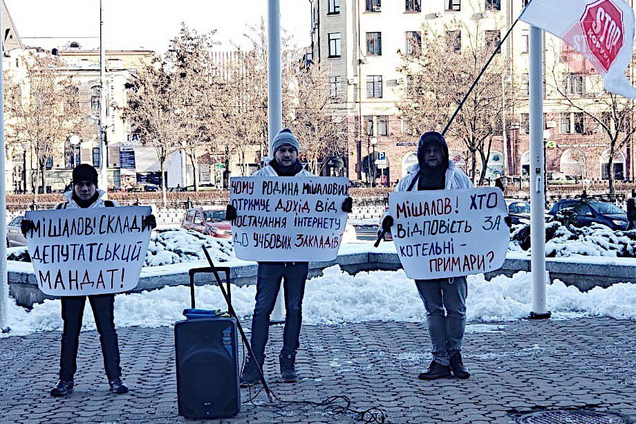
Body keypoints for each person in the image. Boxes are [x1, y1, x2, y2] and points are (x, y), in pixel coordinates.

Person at [226, 128, 352, 386]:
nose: (286, 154)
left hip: (297, 257)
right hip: (269, 259)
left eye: (290, 150)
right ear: (275, 153)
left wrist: (342, 207)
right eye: (282, 150)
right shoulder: (259, 179)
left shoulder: (309, 181)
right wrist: (233, 214)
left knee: (294, 309)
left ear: (297, 153)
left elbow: (323, 212)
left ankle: (288, 360)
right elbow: (247, 210)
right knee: (262, 309)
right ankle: (254, 363)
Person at [21, 164, 156, 397]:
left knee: (107, 329)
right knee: (70, 331)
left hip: (102, 280)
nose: (85, 189)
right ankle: (65, 380)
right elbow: (46, 238)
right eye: (80, 184)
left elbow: (128, 232)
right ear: (73, 186)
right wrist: (30, 229)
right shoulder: (61, 209)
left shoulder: (111, 208)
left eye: (89, 184)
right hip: (72, 281)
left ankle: (115, 378)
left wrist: (146, 224)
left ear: (96, 186)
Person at [381, 132, 474, 380]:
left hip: (454, 256)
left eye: (437, 150)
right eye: (428, 150)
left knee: (456, 309)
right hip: (423, 259)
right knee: (434, 309)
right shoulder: (408, 184)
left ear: (444, 152)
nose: (432, 154)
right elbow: (393, 211)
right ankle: (439, 359)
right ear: (422, 154)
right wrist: (387, 222)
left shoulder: (459, 181)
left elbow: (476, 211)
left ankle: (455, 354)